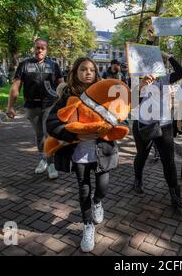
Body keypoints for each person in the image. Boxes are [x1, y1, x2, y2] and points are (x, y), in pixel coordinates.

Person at [46, 57, 128, 253]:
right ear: (75, 72)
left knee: (102, 188)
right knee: (83, 190)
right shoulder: (67, 96)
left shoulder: (106, 94)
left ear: (96, 72)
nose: (88, 72)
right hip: (79, 154)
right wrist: (74, 133)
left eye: (91, 69)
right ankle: (88, 225)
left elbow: (122, 117)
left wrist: (109, 129)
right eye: (83, 69)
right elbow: (51, 123)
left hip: (102, 152)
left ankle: (98, 202)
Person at [132, 28, 182, 209]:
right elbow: (132, 102)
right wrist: (140, 86)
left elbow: (181, 73)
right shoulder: (137, 80)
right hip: (143, 125)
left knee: (169, 161)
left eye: (157, 64)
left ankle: (175, 196)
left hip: (164, 126)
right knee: (142, 155)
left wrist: (166, 54)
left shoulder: (165, 79)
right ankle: (138, 180)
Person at [7, 38, 63, 179]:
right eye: (37, 47)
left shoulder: (54, 65)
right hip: (32, 105)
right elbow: (15, 87)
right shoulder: (24, 65)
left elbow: (62, 85)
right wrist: (10, 106)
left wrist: (64, 103)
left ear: (46, 50)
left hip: (50, 104)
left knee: (48, 133)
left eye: (43, 48)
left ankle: (51, 164)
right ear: (34, 48)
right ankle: (44, 158)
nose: (40, 50)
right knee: (39, 136)